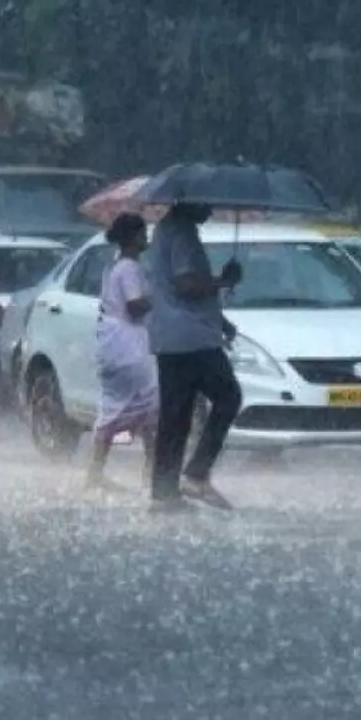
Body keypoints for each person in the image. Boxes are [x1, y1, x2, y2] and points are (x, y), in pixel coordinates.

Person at [144, 202, 243, 511]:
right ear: (189, 200)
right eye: (205, 204)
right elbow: (186, 285)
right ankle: (196, 474)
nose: (210, 210)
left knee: (176, 415)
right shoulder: (183, 233)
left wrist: (220, 321)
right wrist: (224, 281)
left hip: (170, 336)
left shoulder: (163, 230)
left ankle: (164, 489)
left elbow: (169, 287)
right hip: (193, 338)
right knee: (228, 396)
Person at [89, 213, 158, 492]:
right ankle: (151, 473)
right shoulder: (128, 268)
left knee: (113, 409)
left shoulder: (115, 266)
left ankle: (95, 473)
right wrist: (159, 296)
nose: (146, 239)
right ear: (132, 238)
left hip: (114, 346)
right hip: (128, 347)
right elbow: (135, 306)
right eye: (142, 234)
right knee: (153, 409)